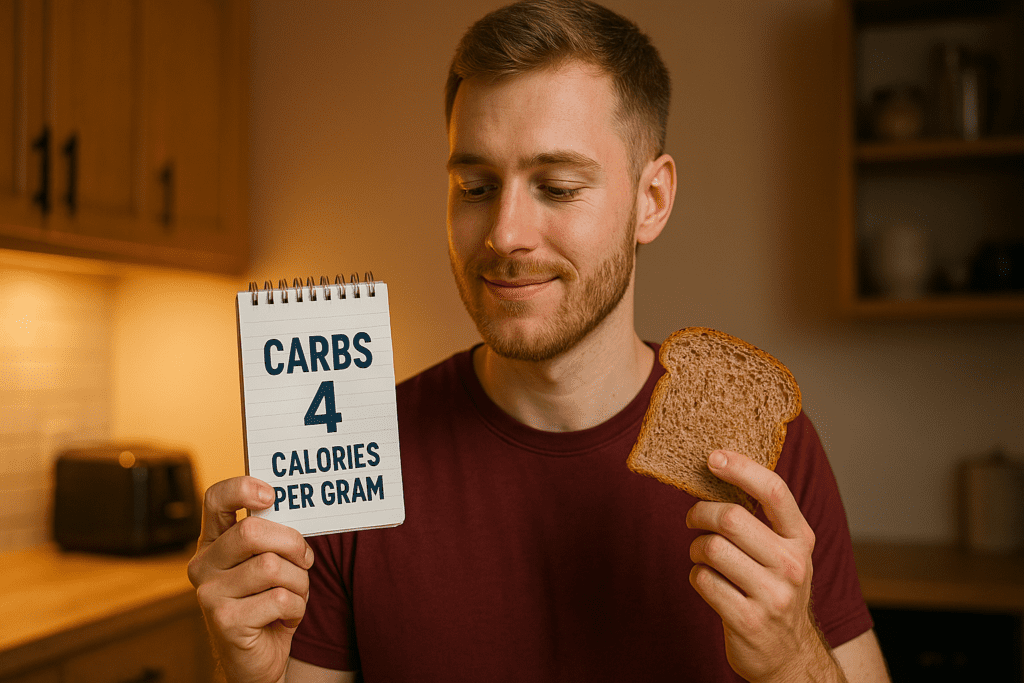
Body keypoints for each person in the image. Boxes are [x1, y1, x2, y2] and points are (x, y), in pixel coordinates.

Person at [188, 1, 891, 681]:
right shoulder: (357, 459)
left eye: (556, 187)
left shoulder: (766, 457)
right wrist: (248, 674)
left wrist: (795, 657)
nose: (505, 233)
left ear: (652, 200)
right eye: (474, 185)